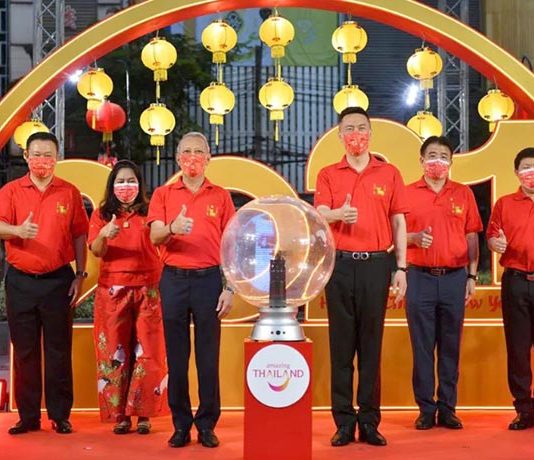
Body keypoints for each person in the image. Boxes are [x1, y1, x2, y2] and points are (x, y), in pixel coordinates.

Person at [314, 107, 408, 447]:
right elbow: (319, 213)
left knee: (371, 346)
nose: (356, 134)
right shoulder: (328, 174)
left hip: (376, 266)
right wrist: (339, 214)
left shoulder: (389, 173)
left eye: (362, 128)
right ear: (340, 136)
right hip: (340, 266)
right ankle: (343, 422)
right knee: (341, 347)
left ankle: (369, 421)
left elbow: (399, 221)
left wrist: (401, 268)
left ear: (371, 133)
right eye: (350, 129)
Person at [148, 132, 235, 448]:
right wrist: (173, 228)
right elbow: (155, 235)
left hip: (209, 281)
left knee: (208, 357)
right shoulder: (163, 194)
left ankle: (207, 424)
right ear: (177, 158)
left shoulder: (220, 196)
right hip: (173, 280)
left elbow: (232, 245)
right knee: (177, 357)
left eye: (199, 151)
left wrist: (230, 288)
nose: (193, 157)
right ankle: (181, 424)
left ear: (208, 158)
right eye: (186, 151)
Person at [0, 131, 89, 435]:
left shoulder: (69, 192)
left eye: (48, 155)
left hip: (58, 281)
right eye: (36, 154)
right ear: (26, 156)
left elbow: (80, 234)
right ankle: (28, 416)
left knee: (58, 350)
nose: (42, 160)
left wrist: (80, 274)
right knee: (25, 351)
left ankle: (60, 415)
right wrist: (17, 231)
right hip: (20, 281)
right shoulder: (11, 191)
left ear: (57, 158)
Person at [405, 136, 482, 431]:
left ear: (451, 161)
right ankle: (426, 409)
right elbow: (393, 233)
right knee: (422, 346)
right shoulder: (407, 193)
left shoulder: (463, 193)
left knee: (451, 346)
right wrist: (413, 238)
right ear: (421, 160)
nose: (437, 161)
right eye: (432, 155)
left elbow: (472, 235)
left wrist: (472, 275)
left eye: (443, 156)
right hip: (419, 277)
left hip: (454, 278)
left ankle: (448, 408)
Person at [88, 160, 167, 435]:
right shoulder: (101, 214)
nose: (126, 186)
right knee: (113, 352)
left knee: (148, 352)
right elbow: (96, 251)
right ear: (112, 186)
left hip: (149, 289)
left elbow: (162, 240)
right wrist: (104, 234)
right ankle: (120, 414)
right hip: (112, 290)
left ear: (140, 184)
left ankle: (143, 413)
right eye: (120, 181)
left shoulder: (151, 211)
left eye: (131, 181)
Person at [487, 147, 534, 430]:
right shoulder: (504, 204)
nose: (531, 172)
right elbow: (491, 237)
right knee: (517, 348)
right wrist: (495, 243)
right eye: (526, 167)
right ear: (517, 172)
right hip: (516, 281)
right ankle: (524, 409)